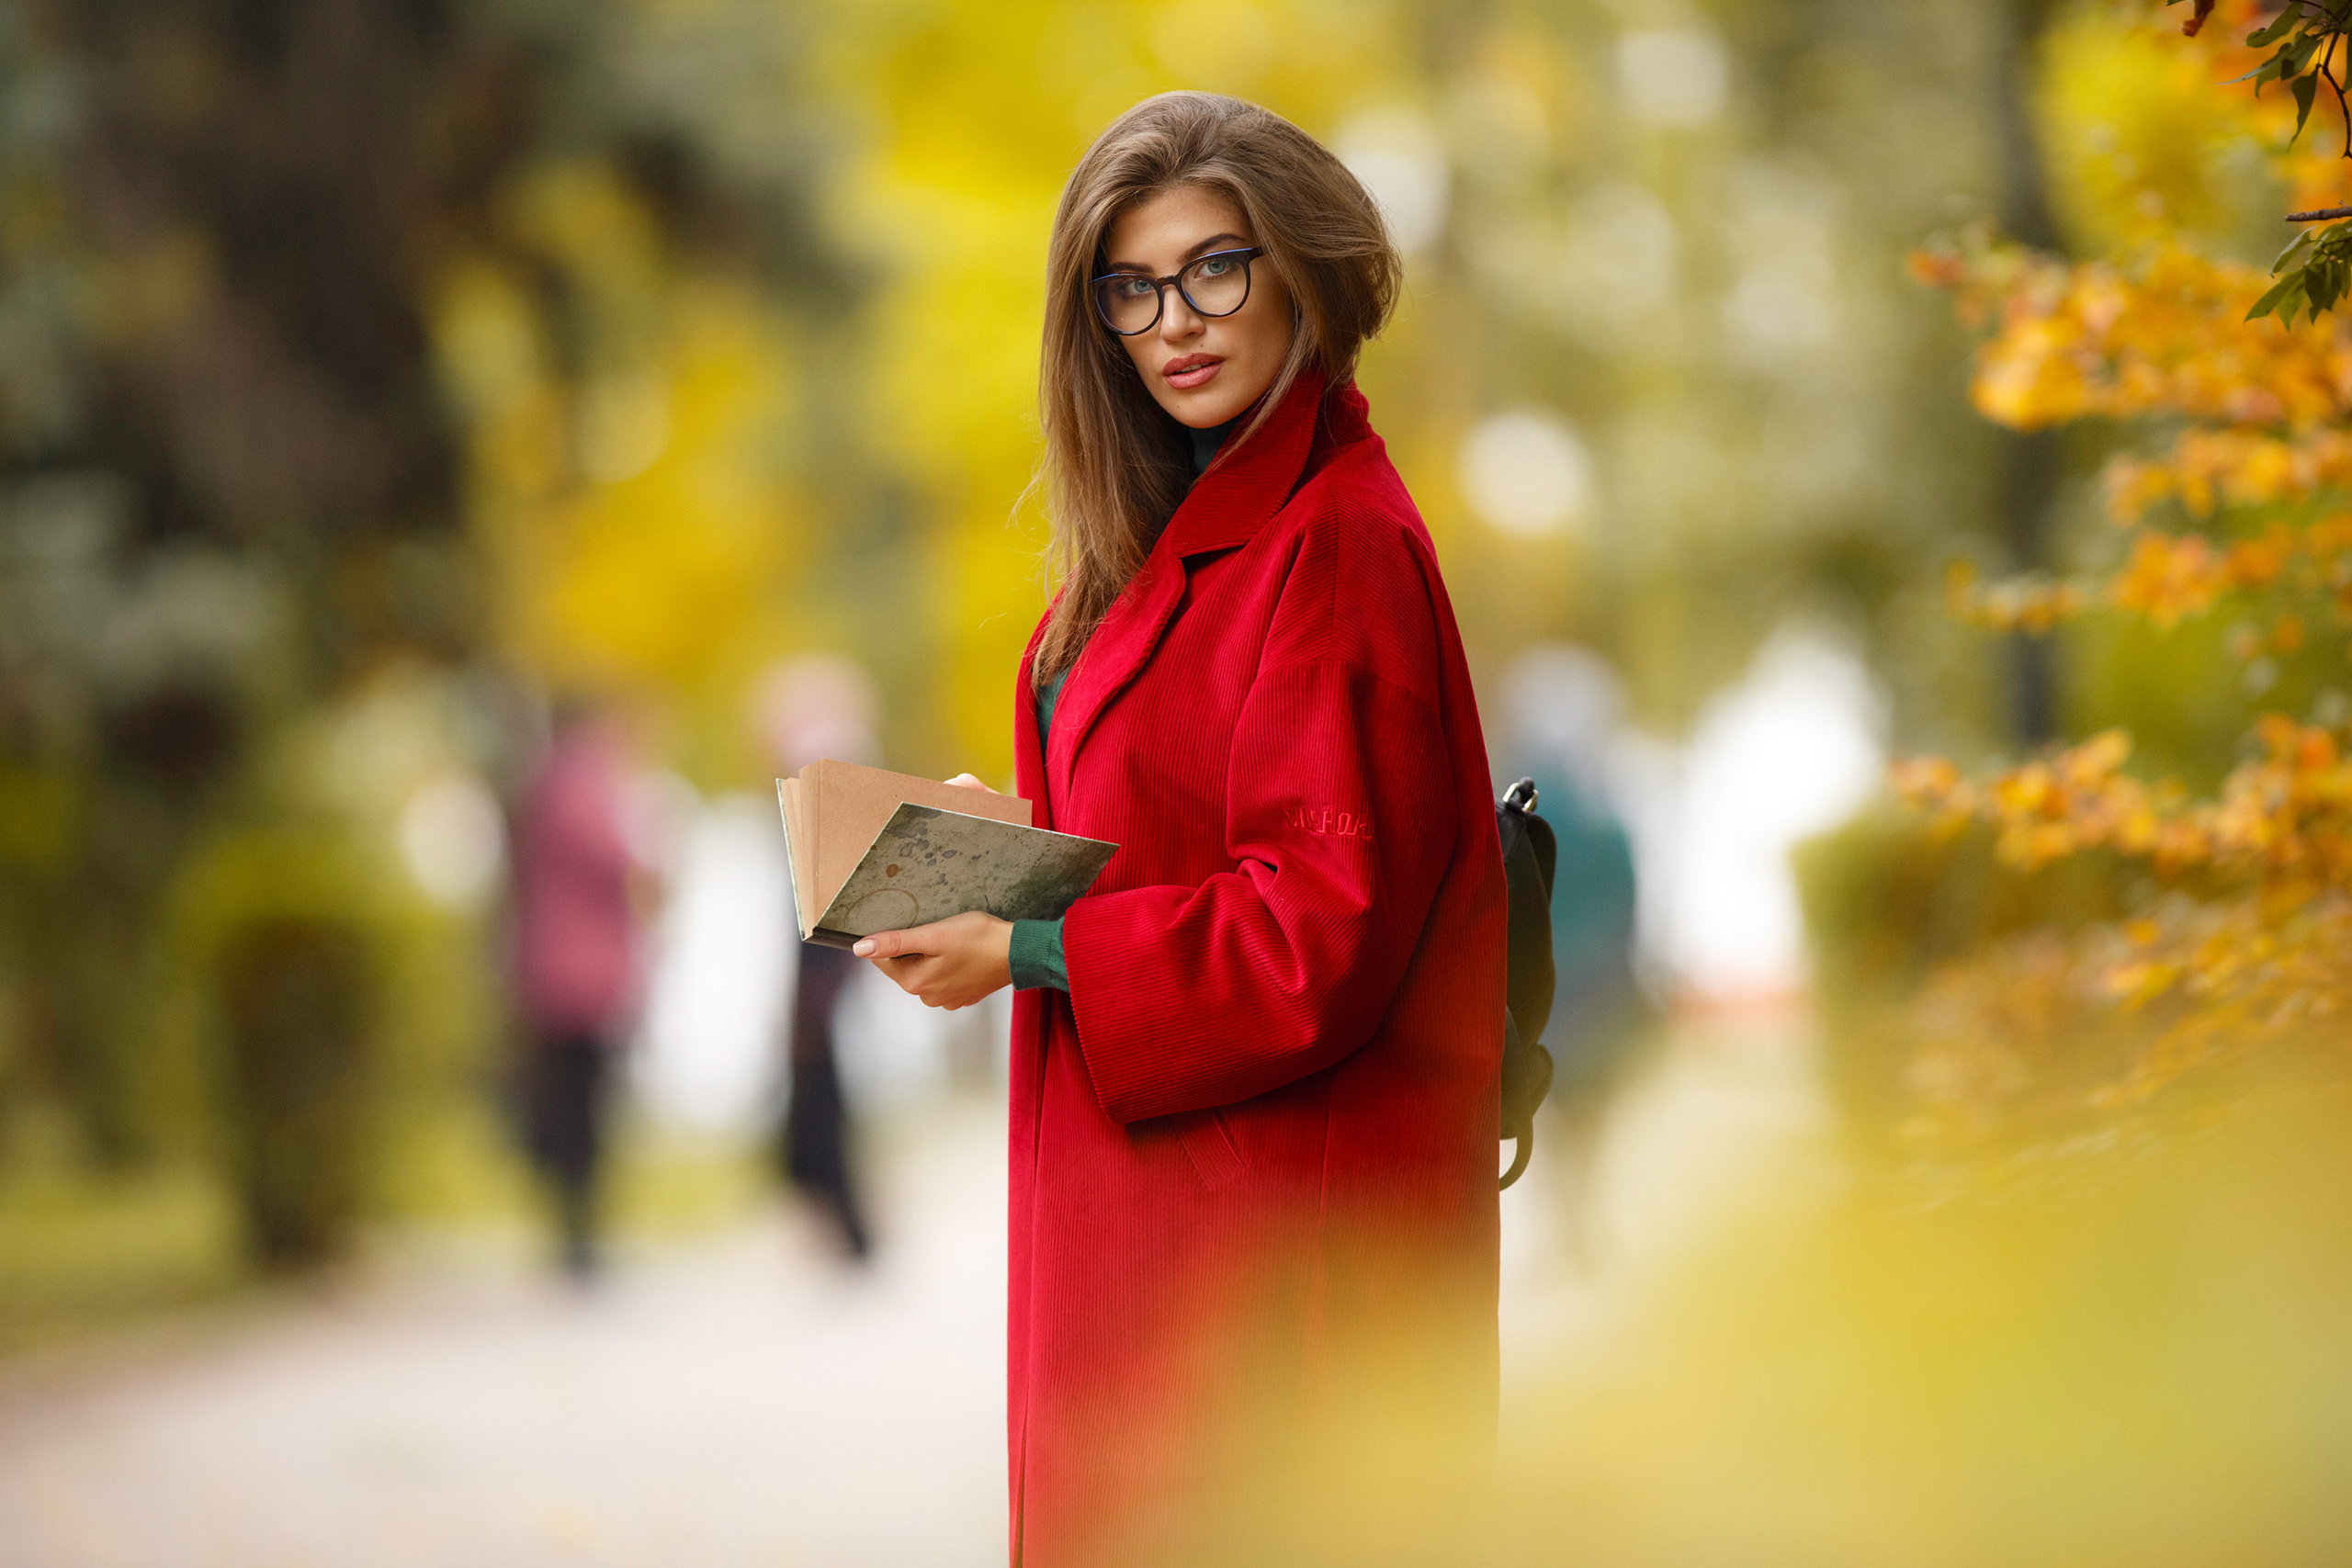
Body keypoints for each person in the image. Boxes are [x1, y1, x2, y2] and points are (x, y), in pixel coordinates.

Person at [849, 94, 1507, 1564]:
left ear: (1305, 270)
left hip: (1264, 1273)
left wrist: (1023, 938)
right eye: (1131, 288)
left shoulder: (1333, 541)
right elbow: (1186, 828)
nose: (1175, 322)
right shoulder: (1180, 538)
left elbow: (1311, 930)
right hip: (1149, 1236)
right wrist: (1002, 845)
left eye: (1218, 267)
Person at [507, 699, 650, 1283]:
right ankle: (581, 1240)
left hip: (551, 973)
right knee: (583, 1112)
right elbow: (620, 862)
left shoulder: (542, 784)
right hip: (583, 980)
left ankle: (574, 1236)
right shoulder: (582, 785)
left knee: (567, 1107)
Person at [755, 656, 880, 1260]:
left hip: (823, 964)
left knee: (822, 1096)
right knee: (824, 1094)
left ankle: (848, 1222)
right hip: (825, 963)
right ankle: (842, 1219)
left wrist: (816, 989)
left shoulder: (825, 782)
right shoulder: (839, 779)